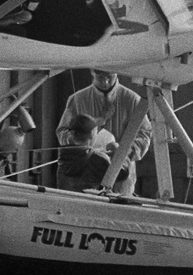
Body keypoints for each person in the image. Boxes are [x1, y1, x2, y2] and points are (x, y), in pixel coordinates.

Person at [58, 69, 152, 197]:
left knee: (117, 210)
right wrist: (79, 141)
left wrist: (124, 151)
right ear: (92, 72)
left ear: (117, 73)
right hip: (83, 176)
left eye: (109, 77)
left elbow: (145, 134)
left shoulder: (132, 99)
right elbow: (62, 131)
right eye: (100, 77)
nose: (105, 82)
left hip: (120, 181)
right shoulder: (77, 99)